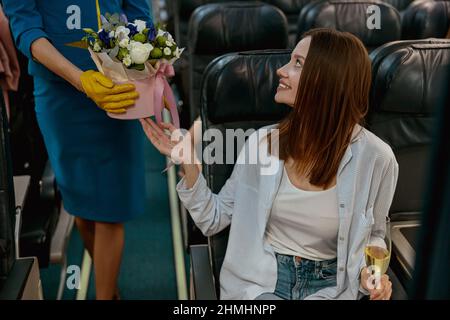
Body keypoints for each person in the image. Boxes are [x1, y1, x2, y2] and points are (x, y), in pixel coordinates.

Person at [142, 28, 398, 300]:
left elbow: (376, 234)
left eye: (297, 63)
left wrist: (372, 274)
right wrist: (189, 163)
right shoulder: (261, 143)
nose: (281, 70)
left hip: (332, 288)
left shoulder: (377, 158)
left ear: (327, 80)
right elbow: (213, 219)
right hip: (264, 283)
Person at [3, 0, 152, 299]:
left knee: (110, 208)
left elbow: (139, 13)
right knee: (81, 206)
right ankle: (109, 285)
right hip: (61, 97)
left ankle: (105, 294)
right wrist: (81, 80)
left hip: (118, 84)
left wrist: (150, 57)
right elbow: (26, 28)